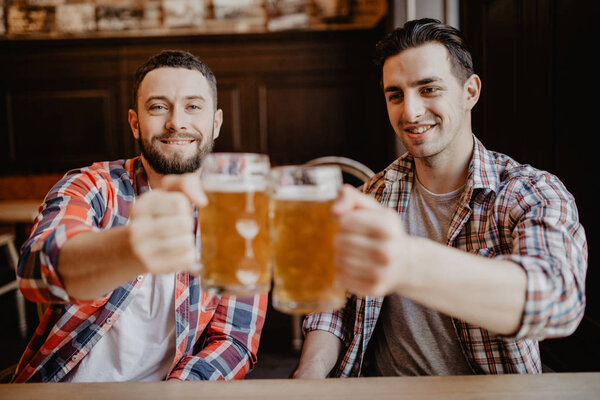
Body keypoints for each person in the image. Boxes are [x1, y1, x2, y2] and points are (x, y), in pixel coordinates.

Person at [293, 18, 587, 377]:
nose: (410, 112)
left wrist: (404, 262)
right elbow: (334, 305)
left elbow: (559, 301)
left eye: (429, 89)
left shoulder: (528, 191)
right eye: (395, 95)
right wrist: (308, 376)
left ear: (470, 92)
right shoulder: (374, 192)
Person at [12, 50, 267, 383]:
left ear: (215, 123)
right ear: (135, 123)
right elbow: (36, 271)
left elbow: (234, 337)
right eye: (159, 107)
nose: (177, 122)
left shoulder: (239, 208)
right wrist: (132, 248)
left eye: (193, 106)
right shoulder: (93, 185)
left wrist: (179, 391)